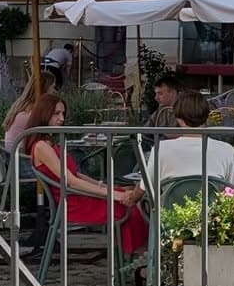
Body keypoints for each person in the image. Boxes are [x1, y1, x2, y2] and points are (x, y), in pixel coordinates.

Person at [24, 95, 148, 260]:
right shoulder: (41, 146)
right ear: (43, 114)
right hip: (72, 201)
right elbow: (71, 181)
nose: (61, 118)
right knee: (133, 206)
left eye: (63, 113)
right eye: (56, 113)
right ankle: (142, 258)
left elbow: (76, 175)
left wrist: (106, 187)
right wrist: (115, 194)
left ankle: (140, 258)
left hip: (75, 196)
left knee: (134, 198)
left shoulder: (49, 143)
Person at [140, 92, 234, 197]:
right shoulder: (226, 150)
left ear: (179, 118)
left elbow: (146, 186)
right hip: (212, 213)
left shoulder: (160, 149)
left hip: (171, 212)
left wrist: (129, 197)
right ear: (206, 116)